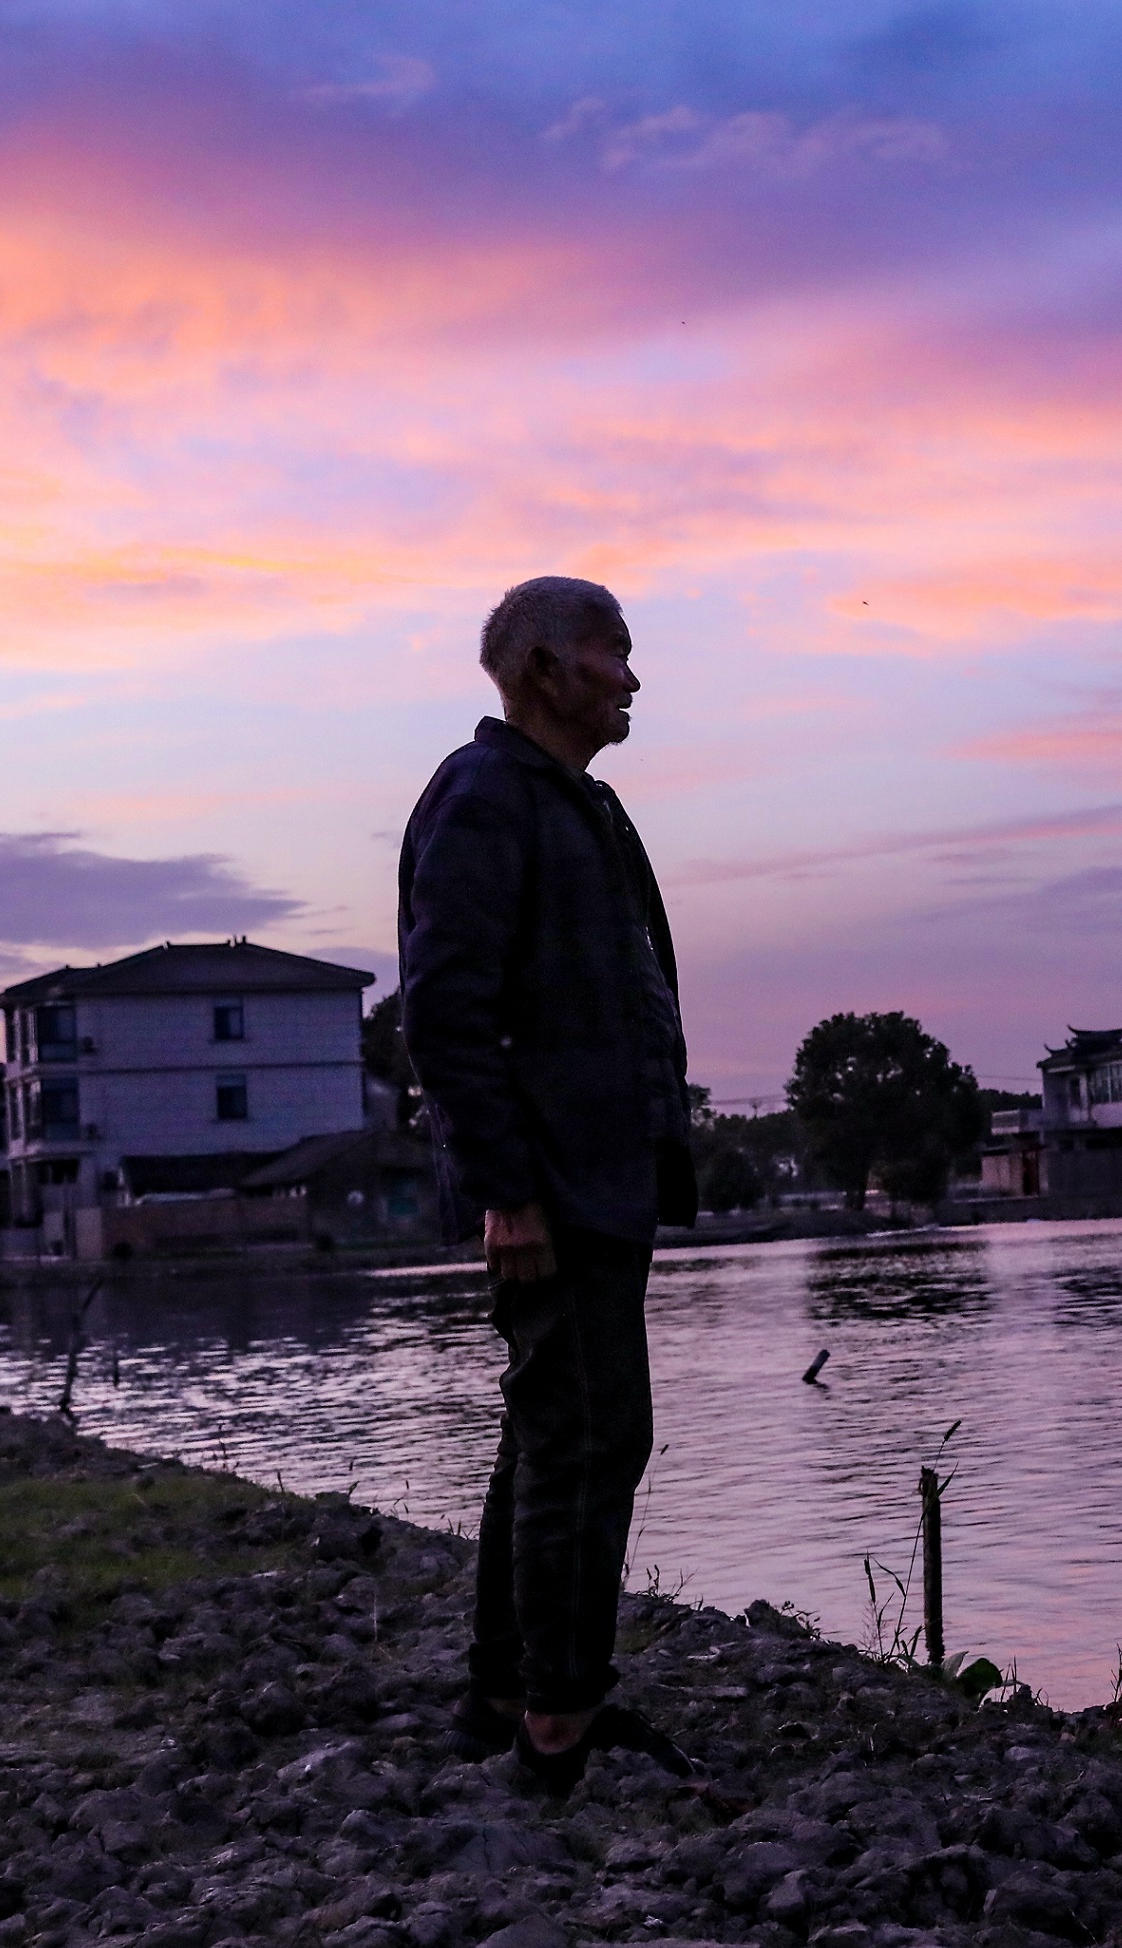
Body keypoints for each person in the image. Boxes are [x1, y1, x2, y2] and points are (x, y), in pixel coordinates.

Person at [398, 575, 699, 1798]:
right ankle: (559, 1727)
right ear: (540, 668)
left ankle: (509, 1691)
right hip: (554, 1185)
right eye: (609, 652)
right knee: (591, 1436)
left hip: (603, 1173)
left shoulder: (586, 806)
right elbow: (445, 1013)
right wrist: (506, 1190)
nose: (630, 676)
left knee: (549, 1432)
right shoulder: (484, 798)